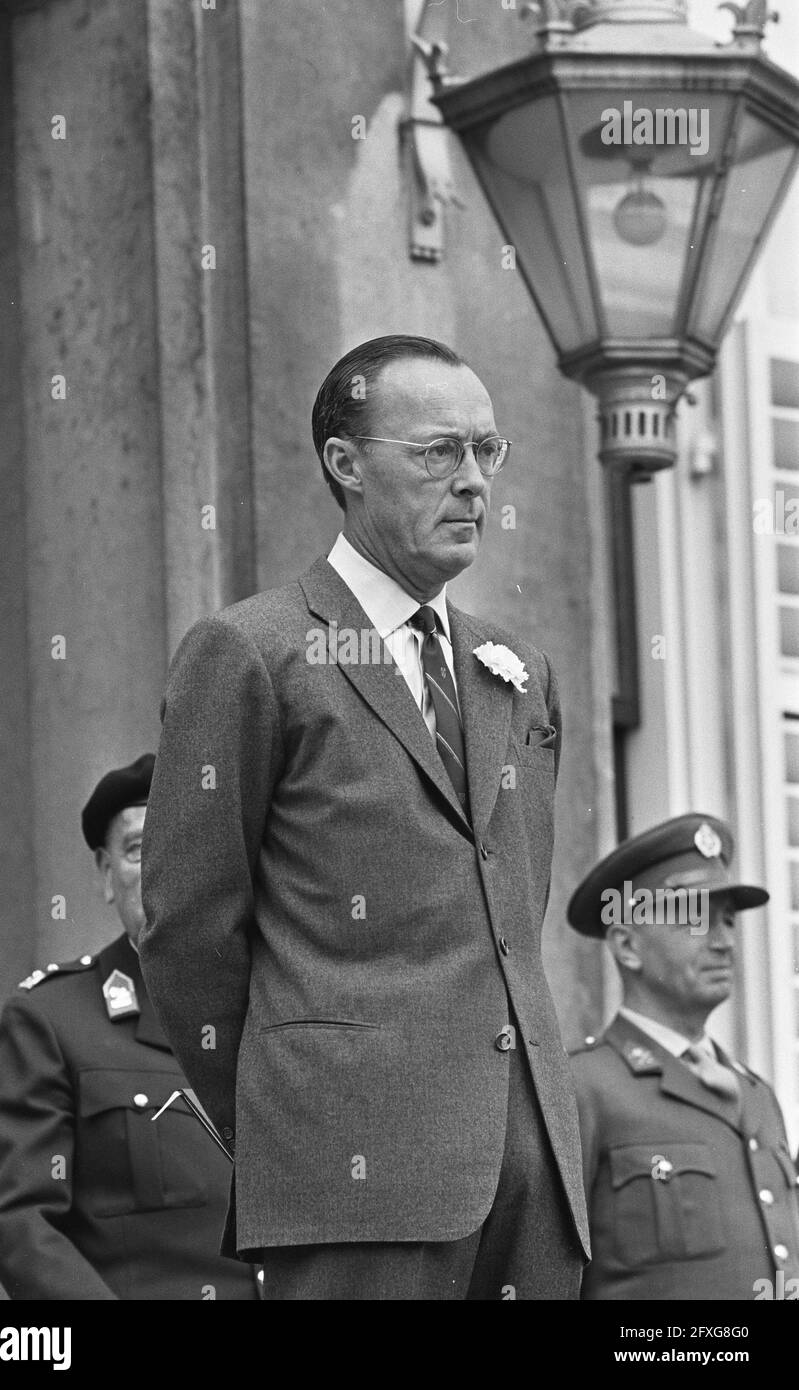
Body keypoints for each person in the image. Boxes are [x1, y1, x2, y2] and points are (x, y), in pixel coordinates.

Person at [139, 334, 590, 1301]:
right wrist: (300, 1104)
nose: (472, 483)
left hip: (532, 1171)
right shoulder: (252, 649)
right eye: (437, 452)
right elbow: (188, 929)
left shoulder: (514, 668)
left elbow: (512, 916)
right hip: (350, 1171)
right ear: (345, 464)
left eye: (487, 451)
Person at [0, 753, 259, 1301]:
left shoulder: (270, 1007)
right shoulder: (52, 1021)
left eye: (177, 843)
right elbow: (23, 1225)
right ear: (107, 876)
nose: (158, 865)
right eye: (136, 848)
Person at [568, 812, 799, 1300]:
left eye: (730, 921)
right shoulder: (581, 1090)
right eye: (696, 918)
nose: (725, 942)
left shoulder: (756, 1096)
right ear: (628, 945)